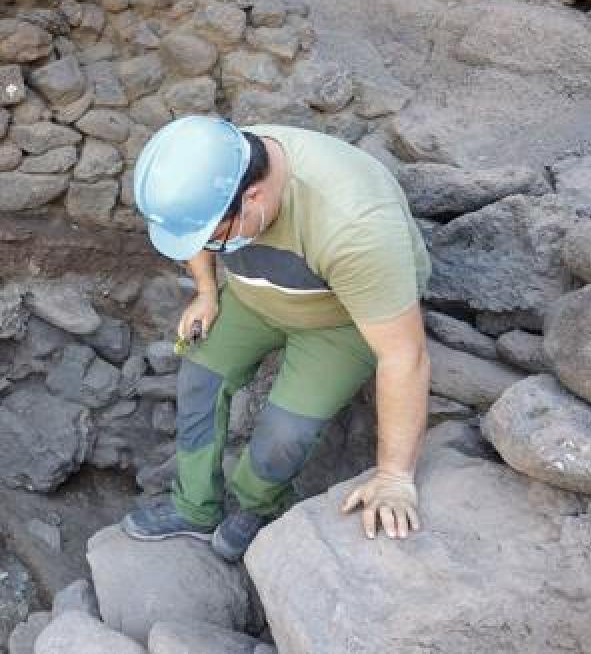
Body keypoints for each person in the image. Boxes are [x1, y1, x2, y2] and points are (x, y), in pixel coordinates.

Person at [122, 116, 431, 562]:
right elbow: (195, 229)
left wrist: (394, 477)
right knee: (199, 379)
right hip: (254, 297)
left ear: (255, 197)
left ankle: (257, 507)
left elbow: (404, 355)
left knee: (285, 432)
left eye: (214, 238)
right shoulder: (224, 166)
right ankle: (193, 508)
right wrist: (208, 294)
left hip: (339, 320)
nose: (207, 245)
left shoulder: (354, 228)